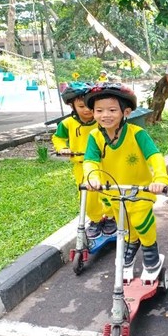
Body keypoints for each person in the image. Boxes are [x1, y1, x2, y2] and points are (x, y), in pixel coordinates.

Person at [82, 83, 168, 271]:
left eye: (112, 110)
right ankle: (132, 242)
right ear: (93, 112)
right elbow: (90, 160)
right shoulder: (95, 136)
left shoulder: (137, 133)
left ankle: (149, 247)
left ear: (126, 112)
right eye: (99, 110)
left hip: (140, 190)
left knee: (141, 221)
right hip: (114, 190)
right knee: (124, 224)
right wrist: (92, 177)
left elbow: (154, 156)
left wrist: (160, 178)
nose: (105, 115)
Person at [52, 82, 117, 239]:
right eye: (81, 106)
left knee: (108, 191)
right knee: (87, 196)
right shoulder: (67, 124)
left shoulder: (102, 120)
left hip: (104, 162)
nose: (87, 110)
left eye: (89, 105)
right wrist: (62, 148)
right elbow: (58, 138)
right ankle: (95, 219)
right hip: (81, 165)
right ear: (72, 106)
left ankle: (111, 217)